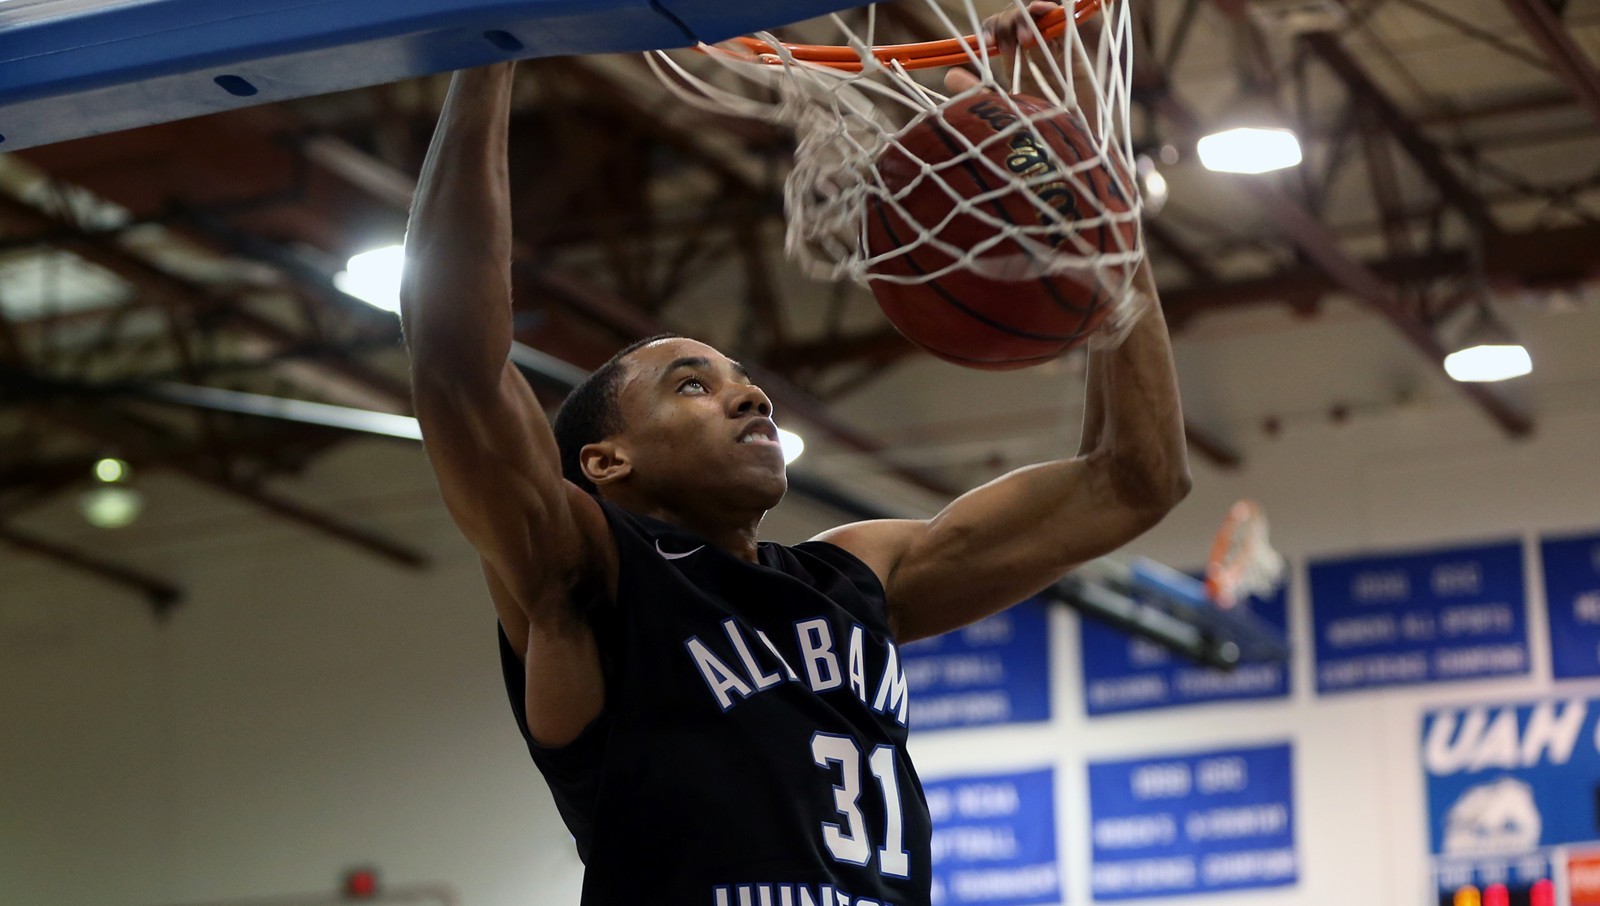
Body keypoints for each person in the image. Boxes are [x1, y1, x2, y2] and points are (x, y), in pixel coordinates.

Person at [399, 4, 1189, 904]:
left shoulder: (855, 579)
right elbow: (454, 362)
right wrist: (495, 46)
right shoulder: (587, 575)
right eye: (691, 386)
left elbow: (1136, 479)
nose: (751, 396)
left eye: (742, 379)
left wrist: (1098, 217)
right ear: (607, 462)